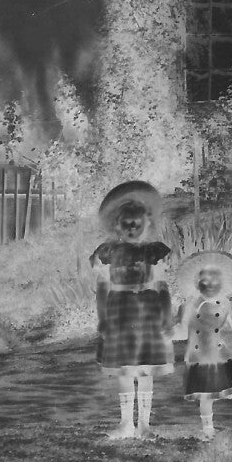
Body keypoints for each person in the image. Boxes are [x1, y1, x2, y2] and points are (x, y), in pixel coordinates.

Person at [92, 180, 174, 439]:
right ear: (117, 224)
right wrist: (103, 319)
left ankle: (145, 425)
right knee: (126, 369)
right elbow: (103, 288)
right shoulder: (109, 252)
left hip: (147, 311)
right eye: (126, 223)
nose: (132, 227)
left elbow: (162, 286)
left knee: (145, 369)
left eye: (137, 223)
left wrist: (166, 316)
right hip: (120, 311)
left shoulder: (153, 252)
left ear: (146, 223)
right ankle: (126, 422)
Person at [177, 250, 232, 439]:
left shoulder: (231, 306)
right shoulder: (189, 308)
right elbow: (183, 331)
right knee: (205, 395)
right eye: (204, 282)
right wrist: (167, 334)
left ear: (223, 283)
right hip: (201, 358)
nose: (209, 286)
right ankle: (208, 429)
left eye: (215, 282)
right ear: (196, 284)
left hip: (226, 356)